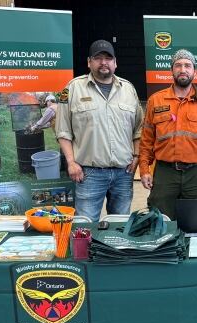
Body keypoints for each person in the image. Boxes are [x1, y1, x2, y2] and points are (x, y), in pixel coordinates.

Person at [56, 40, 144, 222]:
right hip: (89, 174)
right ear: (89, 62)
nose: (104, 62)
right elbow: (63, 130)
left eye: (108, 58)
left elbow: (139, 129)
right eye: (98, 58)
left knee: (120, 227)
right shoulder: (72, 89)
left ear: (115, 63)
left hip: (123, 172)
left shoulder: (128, 89)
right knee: (86, 228)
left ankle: (115, 252)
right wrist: (71, 162)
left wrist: (136, 157)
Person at [139, 49, 197, 220]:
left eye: (187, 65)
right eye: (178, 65)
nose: (183, 69)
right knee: (160, 220)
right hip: (165, 172)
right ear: (172, 70)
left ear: (195, 71)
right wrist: (144, 169)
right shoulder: (156, 100)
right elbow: (146, 139)